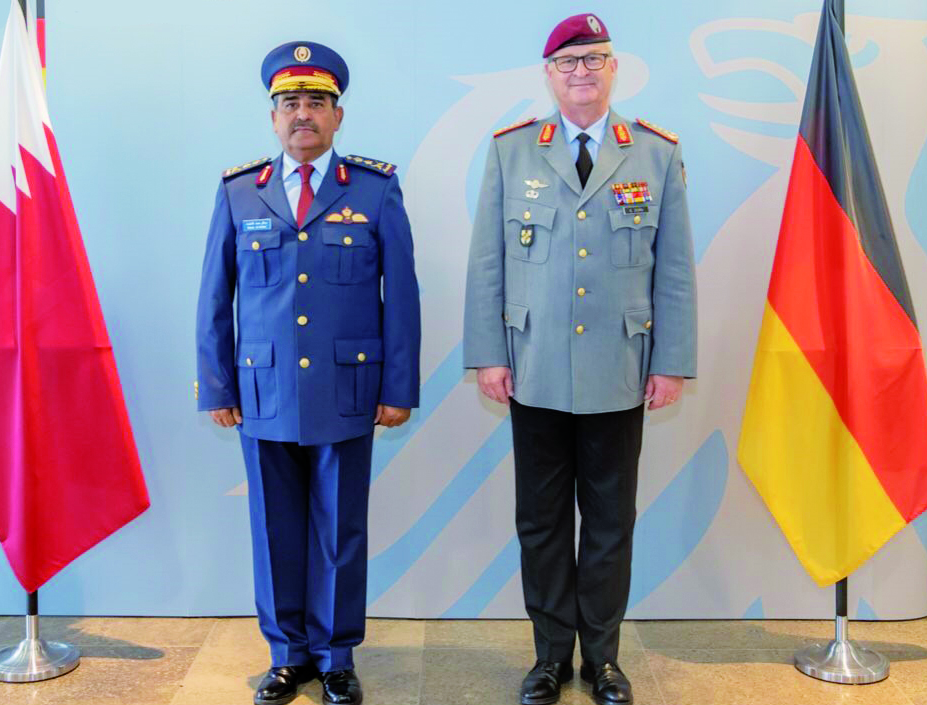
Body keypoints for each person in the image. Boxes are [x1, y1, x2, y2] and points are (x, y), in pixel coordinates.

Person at [463, 13, 697, 705]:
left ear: (614, 68)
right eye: (568, 63)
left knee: (609, 521)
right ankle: (547, 657)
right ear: (549, 75)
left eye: (594, 59)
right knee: (540, 522)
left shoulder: (654, 153)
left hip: (621, 372)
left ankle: (604, 659)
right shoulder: (511, 152)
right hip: (532, 367)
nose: (582, 73)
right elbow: (488, 262)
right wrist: (488, 356)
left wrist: (672, 359)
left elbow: (675, 268)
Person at [196, 40, 421, 705]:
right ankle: (288, 653)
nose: (303, 115)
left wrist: (397, 387)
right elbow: (215, 295)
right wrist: (218, 384)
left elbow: (401, 296)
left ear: (338, 115)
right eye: (290, 103)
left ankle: (337, 653)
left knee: (340, 527)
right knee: (274, 529)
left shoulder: (375, 189)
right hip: (263, 391)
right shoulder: (241, 191)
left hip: (348, 391)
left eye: (316, 103)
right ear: (273, 117)